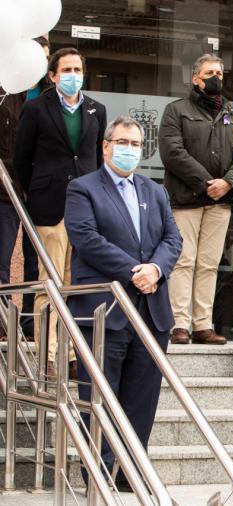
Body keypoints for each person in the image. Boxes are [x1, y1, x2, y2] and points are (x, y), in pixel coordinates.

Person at [64, 116, 182, 491]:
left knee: (142, 398)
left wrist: (156, 270)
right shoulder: (83, 189)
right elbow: (87, 239)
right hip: (105, 311)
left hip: (151, 311)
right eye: (123, 143)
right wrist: (135, 271)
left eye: (136, 144)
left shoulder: (155, 190)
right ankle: (99, 475)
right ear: (106, 146)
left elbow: (172, 239)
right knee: (99, 396)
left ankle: (131, 473)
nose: (130, 150)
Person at [14, 47, 107, 375]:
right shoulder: (36, 108)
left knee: (73, 282)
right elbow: (21, 159)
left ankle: (70, 353)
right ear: (52, 76)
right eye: (65, 70)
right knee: (48, 281)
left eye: (77, 69)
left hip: (84, 208)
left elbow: (96, 159)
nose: (73, 76)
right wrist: (36, 190)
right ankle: (47, 354)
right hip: (49, 207)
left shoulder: (97, 110)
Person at [159, 54, 233, 346]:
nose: (215, 77)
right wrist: (207, 184)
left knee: (209, 263)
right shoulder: (176, 110)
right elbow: (172, 152)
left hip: (221, 202)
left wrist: (227, 183)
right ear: (195, 78)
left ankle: (203, 324)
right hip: (186, 199)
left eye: (218, 72)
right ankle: (180, 323)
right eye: (208, 73)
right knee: (183, 261)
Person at [0, 36, 49, 340]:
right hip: (8, 191)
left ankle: (31, 324)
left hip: (41, 191)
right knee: (2, 260)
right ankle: (4, 321)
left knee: (35, 262)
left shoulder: (51, 95)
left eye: (45, 58)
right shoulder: (7, 93)